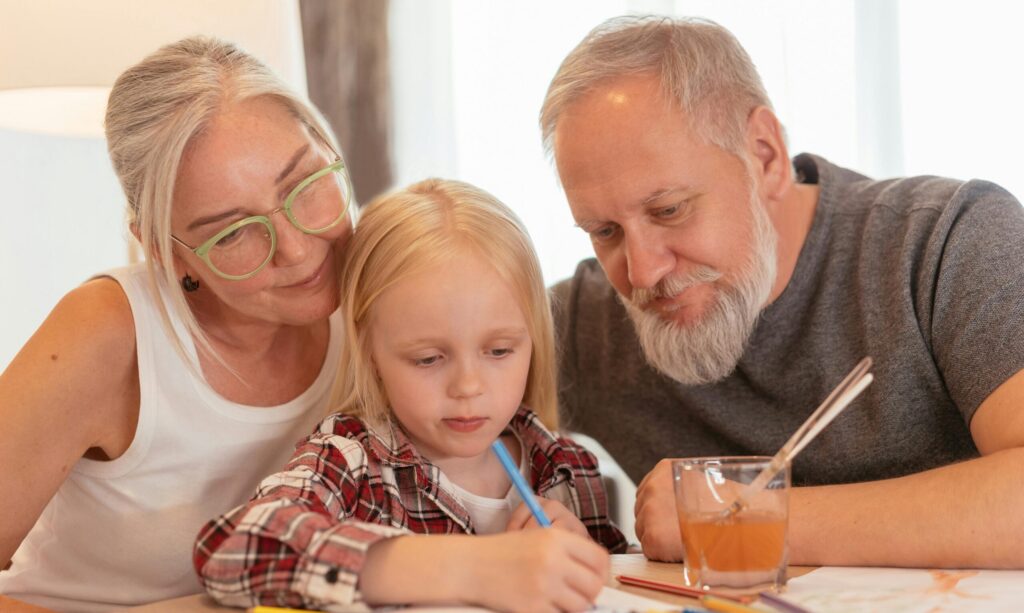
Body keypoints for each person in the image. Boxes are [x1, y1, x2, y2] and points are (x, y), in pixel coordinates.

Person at [540, 15, 1024, 568]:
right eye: (605, 232)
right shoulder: (590, 320)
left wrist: (734, 518)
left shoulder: (948, 241)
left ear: (765, 156)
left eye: (669, 210)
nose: (643, 273)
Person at [0, 37, 355, 610]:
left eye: (304, 186)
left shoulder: (380, 297)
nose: (296, 249)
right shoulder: (112, 334)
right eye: (233, 231)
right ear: (165, 251)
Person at [194, 179, 627, 611]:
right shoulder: (351, 461)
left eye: (499, 351)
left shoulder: (567, 468)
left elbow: (624, 591)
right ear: (370, 351)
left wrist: (587, 560)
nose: (468, 387)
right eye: (427, 359)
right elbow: (236, 547)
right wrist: (469, 567)